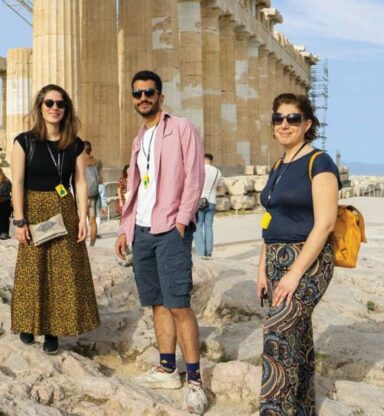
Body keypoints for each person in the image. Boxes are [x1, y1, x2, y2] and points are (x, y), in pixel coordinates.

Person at [114, 70, 208, 415]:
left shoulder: (182, 127)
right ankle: (168, 368)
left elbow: (194, 177)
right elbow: (136, 186)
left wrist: (182, 222)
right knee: (156, 303)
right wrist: (125, 228)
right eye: (137, 94)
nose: (143, 98)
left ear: (160, 95)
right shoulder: (139, 137)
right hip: (141, 230)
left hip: (170, 230)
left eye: (149, 92)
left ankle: (195, 380)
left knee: (179, 304)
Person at [257, 93, 342, 415]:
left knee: (277, 336)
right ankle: (303, 409)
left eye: (293, 118)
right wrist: (261, 268)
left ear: (307, 124)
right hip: (275, 258)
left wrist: (294, 274)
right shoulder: (279, 165)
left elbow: (325, 223)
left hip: (308, 262)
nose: (284, 124)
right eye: (278, 118)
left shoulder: (318, 162)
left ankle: (274, 410)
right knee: (298, 339)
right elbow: (270, 220)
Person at [10, 84, 100, 355]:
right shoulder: (23, 141)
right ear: (40, 106)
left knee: (63, 272)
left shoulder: (75, 144)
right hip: (33, 207)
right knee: (32, 269)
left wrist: (83, 217)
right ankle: (28, 323)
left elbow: (81, 181)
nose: (54, 109)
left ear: (66, 109)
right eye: (49, 103)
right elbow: (17, 181)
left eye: (60, 104)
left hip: (63, 207)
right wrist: (19, 220)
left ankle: (52, 331)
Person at [194, 153, 223, 258]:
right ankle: (208, 252)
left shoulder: (199, 170)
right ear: (211, 160)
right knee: (209, 227)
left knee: (198, 227)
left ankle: (201, 253)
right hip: (212, 201)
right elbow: (220, 188)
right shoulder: (217, 172)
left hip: (200, 201)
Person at [83, 140, 103, 246]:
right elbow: (100, 180)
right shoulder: (97, 162)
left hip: (82, 197)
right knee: (92, 221)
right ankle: (92, 244)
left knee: (81, 219)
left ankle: (81, 243)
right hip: (94, 196)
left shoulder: (79, 162)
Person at [0, 167, 13, 240]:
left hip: (6, 201)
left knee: (5, 218)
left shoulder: (6, 181)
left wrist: (12, 201)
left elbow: (12, 190)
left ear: (1, 173)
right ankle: (0, 232)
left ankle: (5, 233)